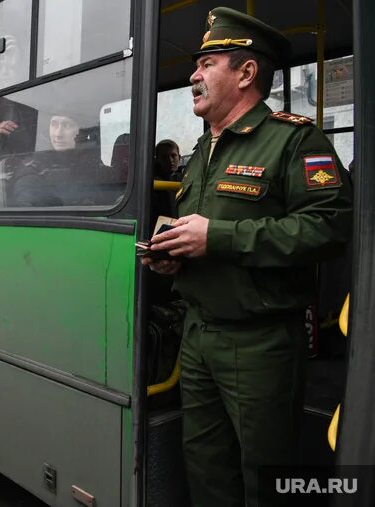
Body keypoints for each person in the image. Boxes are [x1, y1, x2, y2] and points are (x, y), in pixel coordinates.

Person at [143, 7, 353, 507]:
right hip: (196, 336)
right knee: (206, 468)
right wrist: (175, 257)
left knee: (266, 476)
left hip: (259, 344)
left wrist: (218, 238)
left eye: (207, 63)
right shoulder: (201, 152)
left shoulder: (294, 139)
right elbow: (198, 232)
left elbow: (329, 227)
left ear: (246, 72)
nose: (193, 75)